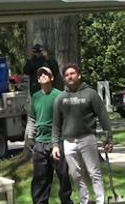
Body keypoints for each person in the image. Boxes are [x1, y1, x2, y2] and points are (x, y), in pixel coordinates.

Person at [51, 63, 112, 204]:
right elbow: (56, 125)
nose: (69, 77)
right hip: (68, 142)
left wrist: (109, 138)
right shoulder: (60, 98)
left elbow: (103, 117)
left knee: (94, 172)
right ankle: (84, 201)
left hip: (87, 138)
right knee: (76, 174)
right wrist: (55, 145)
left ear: (79, 75)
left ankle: (100, 200)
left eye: (72, 74)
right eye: (66, 75)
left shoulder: (90, 94)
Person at [25, 66, 72, 204]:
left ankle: (66, 201)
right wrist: (30, 139)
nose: (43, 76)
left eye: (46, 74)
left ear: (52, 78)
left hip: (57, 143)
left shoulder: (60, 95)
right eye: (40, 75)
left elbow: (68, 118)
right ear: (38, 80)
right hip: (40, 144)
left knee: (63, 176)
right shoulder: (35, 97)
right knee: (40, 179)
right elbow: (32, 120)